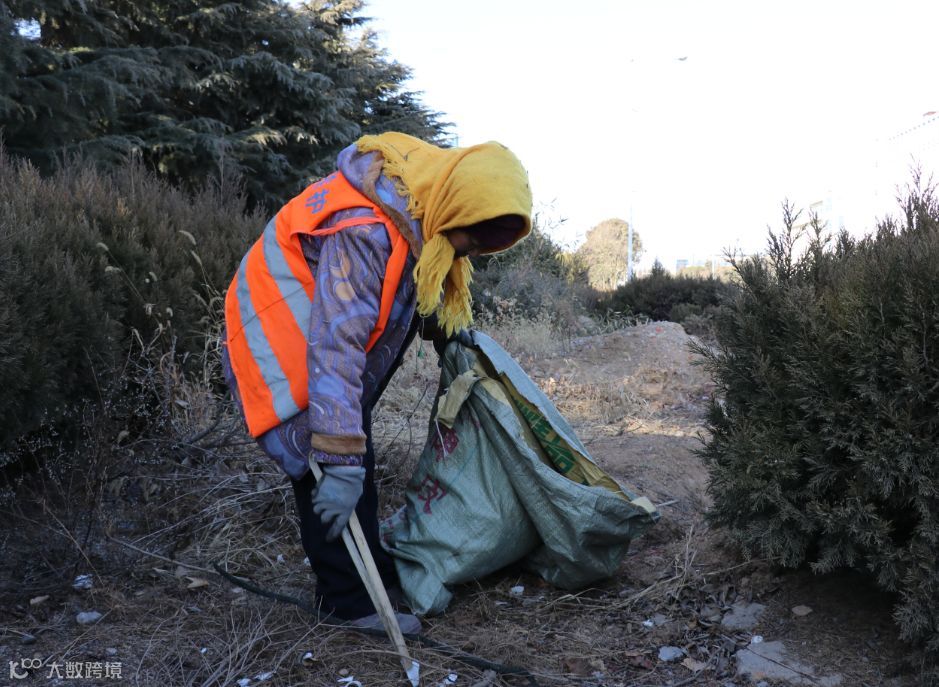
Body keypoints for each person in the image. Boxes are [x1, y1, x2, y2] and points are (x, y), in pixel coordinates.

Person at [220, 132, 532, 633]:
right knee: (326, 468)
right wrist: (339, 458)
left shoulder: (417, 201)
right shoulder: (365, 230)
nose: (469, 253)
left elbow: (401, 288)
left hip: (318, 338)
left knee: (352, 454)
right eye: (471, 240)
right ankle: (345, 600)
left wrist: (442, 329)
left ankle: (370, 569)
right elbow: (337, 346)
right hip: (281, 339)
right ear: (455, 209)